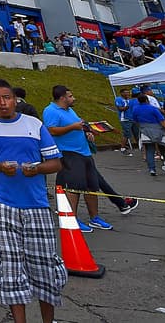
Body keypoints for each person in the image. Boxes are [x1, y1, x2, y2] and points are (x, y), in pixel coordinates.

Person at [0, 78, 67, 323]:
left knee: (45, 266)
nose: (2, 103)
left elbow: (55, 162)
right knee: (9, 267)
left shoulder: (34, 124)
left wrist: (38, 169)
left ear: (15, 100)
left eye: (7, 97)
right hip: (2, 204)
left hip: (37, 204)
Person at [43, 86, 136, 231]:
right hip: (69, 153)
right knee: (74, 187)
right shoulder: (51, 111)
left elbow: (78, 125)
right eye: (71, 96)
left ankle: (95, 218)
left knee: (91, 186)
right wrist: (73, 127)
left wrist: (87, 132)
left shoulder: (69, 110)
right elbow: (51, 131)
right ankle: (72, 219)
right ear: (62, 98)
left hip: (84, 152)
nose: (74, 98)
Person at [132, 93, 165, 176]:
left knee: (150, 150)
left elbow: (135, 121)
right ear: (147, 100)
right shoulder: (153, 109)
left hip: (144, 130)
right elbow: (162, 121)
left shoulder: (135, 109)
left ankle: (152, 169)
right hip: (158, 130)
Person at [115, 88, 136, 152]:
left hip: (132, 118)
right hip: (124, 119)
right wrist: (128, 106)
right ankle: (123, 147)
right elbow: (120, 108)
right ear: (121, 93)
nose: (127, 94)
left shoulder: (130, 100)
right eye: (126, 92)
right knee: (127, 134)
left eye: (128, 92)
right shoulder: (118, 99)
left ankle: (142, 148)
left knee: (137, 133)